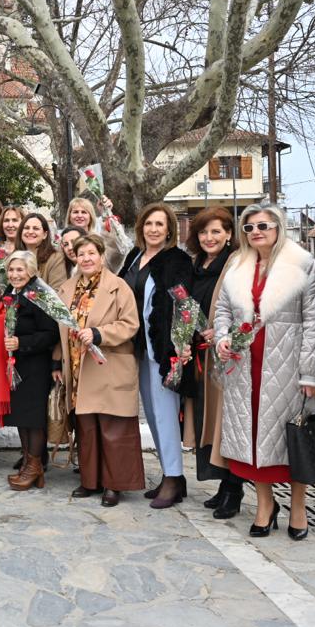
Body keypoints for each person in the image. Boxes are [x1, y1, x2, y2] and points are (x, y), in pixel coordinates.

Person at [215, 204, 315, 540]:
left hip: (286, 366)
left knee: (293, 439)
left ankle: (299, 506)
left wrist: (311, 373)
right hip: (244, 366)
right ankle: (265, 505)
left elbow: (314, 321)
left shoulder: (302, 263)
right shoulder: (237, 264)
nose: (256, 232)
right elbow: (222, 309)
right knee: (252, 440)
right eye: (249, 228)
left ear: (278, 227)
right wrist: (222, 338)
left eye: (263, 225)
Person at [58, 235, 144, 506]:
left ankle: (114, 484)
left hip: (108, 365)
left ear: (102, 256)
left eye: (91, 253)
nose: (86, 258)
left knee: (113, 428)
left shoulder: (118, 287)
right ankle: (90, 480)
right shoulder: (66, 288)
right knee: (87, 428)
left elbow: (130, 324)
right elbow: (59, 328)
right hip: (78, 368)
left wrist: (99, 334)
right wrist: (57, 361)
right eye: (81, 254)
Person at [118, 202, 192, 509]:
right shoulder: (134, 256)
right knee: (151, 412)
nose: (153, 229)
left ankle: (174, 477)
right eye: (149, 223)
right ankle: (169, 474)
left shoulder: (177, 260)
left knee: (165, 414)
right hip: (137, 346)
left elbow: (185, 305)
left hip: (163, 349)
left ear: (169, 229)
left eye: (160, 224)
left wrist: (181, 345)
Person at [185, 207, 243, 518]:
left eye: (216, 231)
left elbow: (243, 307)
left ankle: (234, 489)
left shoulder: (234, 264)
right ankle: (223, 484)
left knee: (225, 422)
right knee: (207, 422)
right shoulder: (197, 265)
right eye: (204, 232)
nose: (209, 238)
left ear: (229, 234)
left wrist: (221, 331)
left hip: (224, 355)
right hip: (200, 354)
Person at [0, 251, 60, 490]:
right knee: (21, 417)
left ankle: (35, 466)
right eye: (11, 270)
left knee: (33, 419)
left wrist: (22, 342)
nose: (15, 274)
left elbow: (50, 333)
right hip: (16, 365)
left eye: (20, 270)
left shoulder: (39, 294)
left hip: (35, 365)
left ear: (31, 271)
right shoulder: (12, 292)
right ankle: (29, 464)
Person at [66, 196, 130, 271]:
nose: (79, 216)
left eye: (84, 212)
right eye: (75, 212)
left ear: (90, 217)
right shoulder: (64, 240)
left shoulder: (98, 241)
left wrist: (106, 212)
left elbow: (118, 251)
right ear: (69, 216)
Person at [19, 212, 68, 291]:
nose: (30, 231)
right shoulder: (14, 257)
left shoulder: (55, 258)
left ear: (45, 234)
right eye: (26, 228)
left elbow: (58, 291)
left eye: (36, 228)